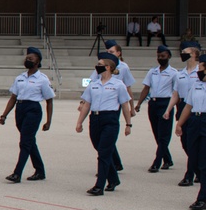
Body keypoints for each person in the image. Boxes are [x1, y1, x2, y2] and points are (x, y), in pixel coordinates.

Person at [76, 52, 132, 195]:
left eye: (100, 65)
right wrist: (79, 122)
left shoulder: (118, 85)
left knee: (103, 153)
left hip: (110, 119)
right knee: (100, 148)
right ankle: (113, 179)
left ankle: (99, 185)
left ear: (108, 67)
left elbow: (125, 105)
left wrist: (128, 124)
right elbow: (87, 104)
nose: (97, 67)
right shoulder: (93, 85)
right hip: (95, 119)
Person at [0, 47, 55, 182]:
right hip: (20, 109)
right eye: (27, 58)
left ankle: (17, 173)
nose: (28, 59)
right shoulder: (20, 78)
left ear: (38, 61)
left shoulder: (42, 79)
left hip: (33, 110)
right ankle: (40, 170)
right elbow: (13, 98)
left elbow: (49, 101)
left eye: (31, 58)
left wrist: (48, 121)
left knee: (25, 142)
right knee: (29, 141)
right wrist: (4, 115)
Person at [85, 40, 135, 172]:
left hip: (113, 103)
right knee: (103, 139)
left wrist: (132, 107)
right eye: (108, 52)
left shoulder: (123, 67)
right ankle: (115, 163)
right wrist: (83, 102)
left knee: (108, 135)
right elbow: (92, 82)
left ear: (119, 53)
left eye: (111, 52)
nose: (109, 53)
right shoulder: (101, 66)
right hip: (98, 101)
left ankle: (108, 168)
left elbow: (127, 87)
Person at [133, 45, 178, 172]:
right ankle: (167, 159)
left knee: (164, 134)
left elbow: (176, 92)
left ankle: (157, 162)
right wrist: (139, 103)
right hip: (153, 103)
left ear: (168, 56)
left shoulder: (174, 73)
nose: (160, 58)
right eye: (158, 56)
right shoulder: (152, 71)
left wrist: (171, 108)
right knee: (157, 133)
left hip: (165, 103)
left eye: (163, 56)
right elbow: (146, 88)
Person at [164, 41, 202, 187]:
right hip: (183, 107)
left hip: (196, 108)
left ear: (194, 55)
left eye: (186, 52)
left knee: (193, 143)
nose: (183, 54)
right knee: (185, 143)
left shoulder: (200, 71)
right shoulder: (180, 74)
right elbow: (175, 94)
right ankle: (198, 170)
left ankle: (189, 175)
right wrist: (168, 109)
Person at [174, 54, 206, 210]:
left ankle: (202, 198)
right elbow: (188, 106)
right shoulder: (197, 85)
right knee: (193, 157)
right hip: (195, 120)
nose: (198, 71)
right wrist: (180, 124)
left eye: (201, 68)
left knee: (203, 161)